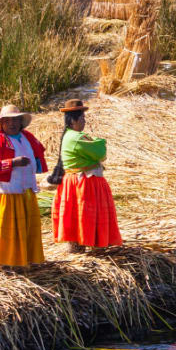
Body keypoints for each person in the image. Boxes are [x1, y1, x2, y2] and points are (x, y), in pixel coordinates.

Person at [0, 104, 48, 267]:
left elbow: (39, 154)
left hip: (24, 190)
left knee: (25, 227)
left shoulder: (27, 137)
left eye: (16, 120)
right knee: (7, 228)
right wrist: (12, 163)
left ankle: (24, 258)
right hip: (5, 191)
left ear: (21, 122)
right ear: (1, 124)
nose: (12, 124)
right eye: (7, 121)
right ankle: (6, 261)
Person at [52, 99, 122, 251]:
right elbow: (100, 152)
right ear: (73, 120)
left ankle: (80, 245)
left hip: (78, 180)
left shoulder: (72, 136)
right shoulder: (76, 138)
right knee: (85, 215)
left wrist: (94, 144)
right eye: (82, 118)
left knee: (78, 215)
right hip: (82, 183)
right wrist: (98, 142)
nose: (84, 121)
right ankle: (89, 244)